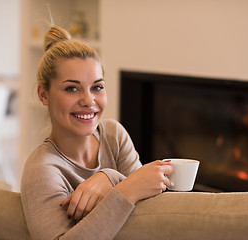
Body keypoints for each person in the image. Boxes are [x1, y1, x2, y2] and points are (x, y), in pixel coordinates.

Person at [20, 25, 174, 240]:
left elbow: (151, 209)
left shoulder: (114, 135)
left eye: (97, 87)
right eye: (72, 88)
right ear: (43, 95)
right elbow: (136, 186)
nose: (88, 100)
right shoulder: (42, 170)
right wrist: (125, 190)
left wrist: (109, 178)